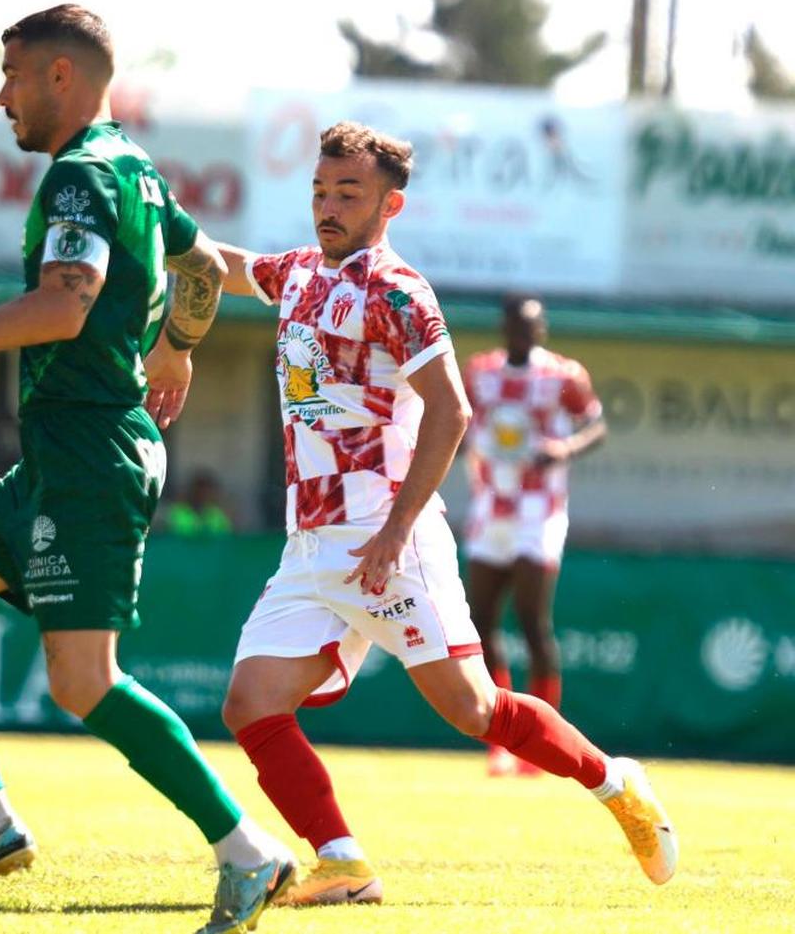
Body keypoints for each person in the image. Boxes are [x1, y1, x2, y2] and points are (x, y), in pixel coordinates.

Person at [0, 4, 292, 931]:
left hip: (87, 452)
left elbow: (65, 305)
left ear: (62, 78)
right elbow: (202, 265)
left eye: (12, 75)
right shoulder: (136, 167)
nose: (2, 96)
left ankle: (250, 851)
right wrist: (180, 344)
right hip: (54, 454)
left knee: (84, 680)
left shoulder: (83, 175)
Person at [145, 121, 676, 907]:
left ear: (391, 204)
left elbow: (452, 411)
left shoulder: (399, 291)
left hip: (386, 537)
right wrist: (147, 215)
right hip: (312, 542)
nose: (328, 205)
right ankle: (342, 862)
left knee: (474, 708)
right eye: (320, 190)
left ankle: (614, 781)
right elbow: (220, 264)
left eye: (347, 193)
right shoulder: (295, 272)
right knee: (250, 702)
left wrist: (396, 530)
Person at [462, 294, 607, 776]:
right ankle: (502, 741)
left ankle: (543, 747)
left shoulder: (563, 375)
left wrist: (565, 446)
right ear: (503, 328)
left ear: (542, 329)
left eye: (530, 327)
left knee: (531, 619)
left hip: (538, 510)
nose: (522, 334)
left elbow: (596, 426)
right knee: (480, 623)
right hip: (490, 507)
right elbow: (459, 422)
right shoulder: (480, 371)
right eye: (514, 326)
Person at [166, 469, 234, 536]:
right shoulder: (178, 512)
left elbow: (226, 538)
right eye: (200, 492)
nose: (203, 496)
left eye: (207, 493)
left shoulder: (217, 516)